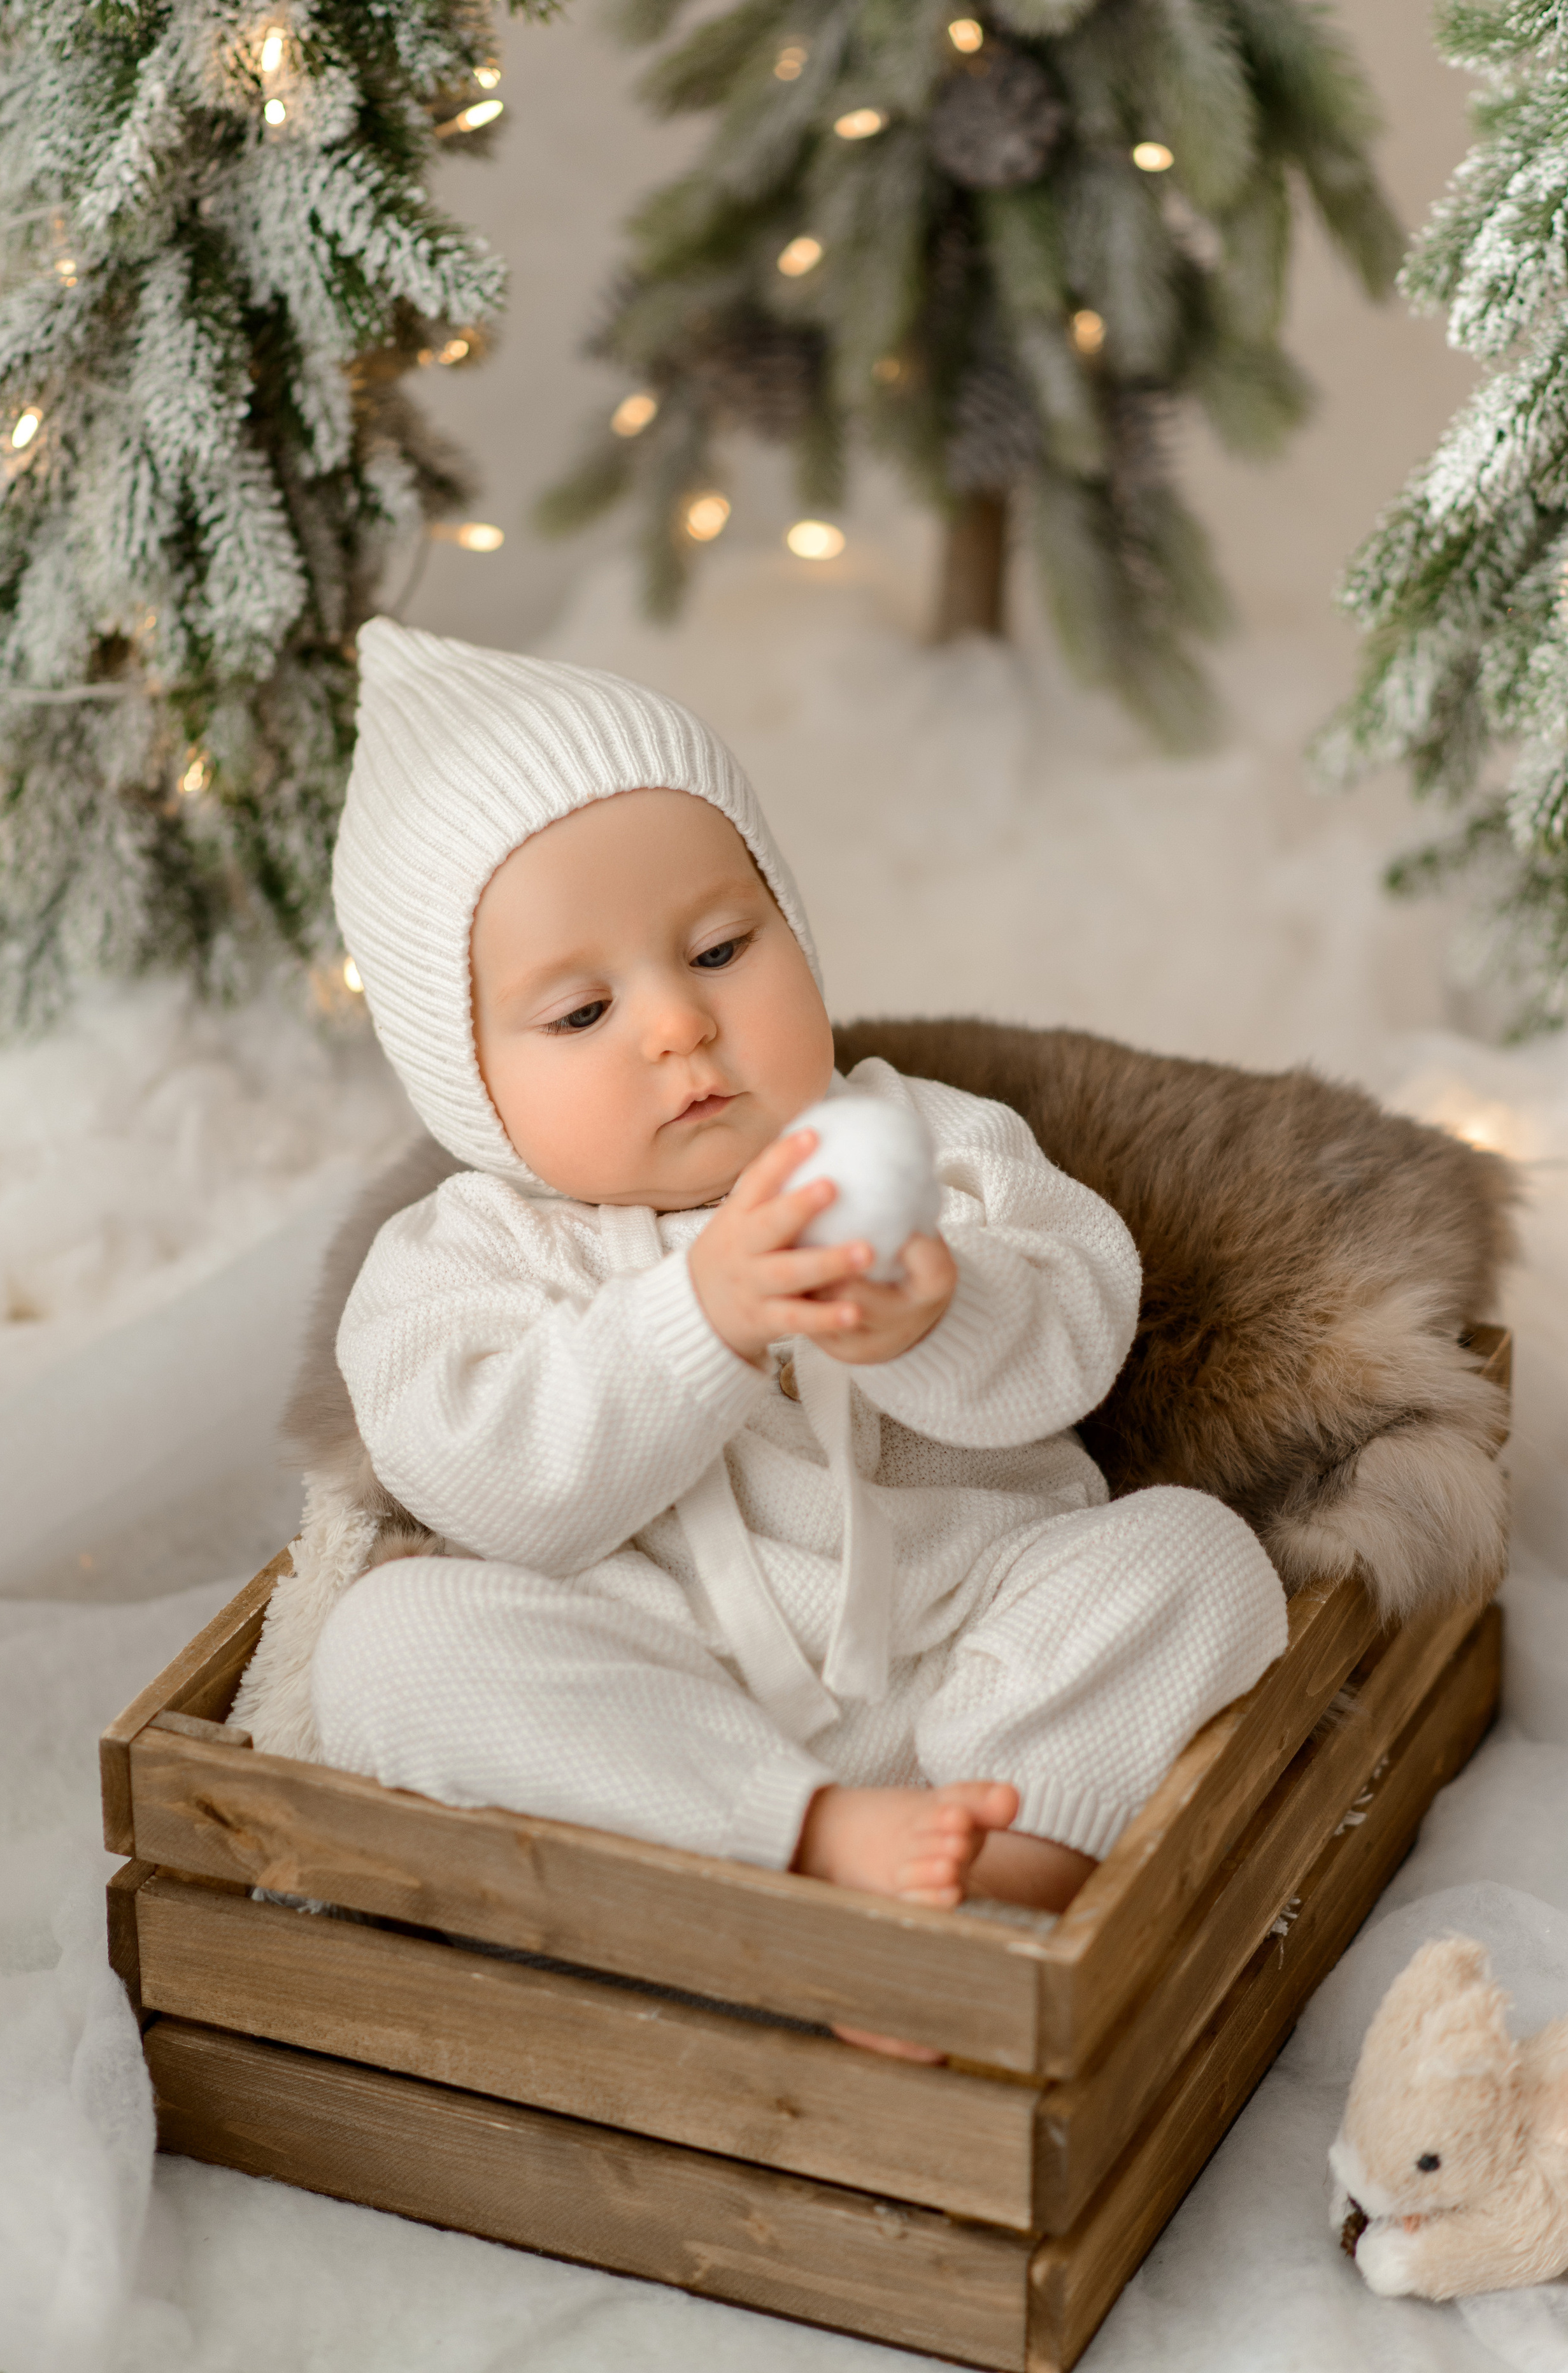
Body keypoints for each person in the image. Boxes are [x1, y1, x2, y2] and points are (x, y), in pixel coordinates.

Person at [313, 620, 1288, 1987]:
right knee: (387, 1648)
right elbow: (494, 1486)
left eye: (720, 948)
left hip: (971, 1639)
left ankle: (1002, 1880)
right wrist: (697, 1319)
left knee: (1195, 1555)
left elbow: (1081, 1322)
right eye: (583, 1014)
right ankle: (811, 1844)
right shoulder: (458, 1258)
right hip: (669, 1696)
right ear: (467, 1081)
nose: (677, 1024)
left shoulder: (920, 1137)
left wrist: (935, 1315)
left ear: (792, 927)